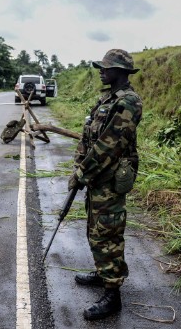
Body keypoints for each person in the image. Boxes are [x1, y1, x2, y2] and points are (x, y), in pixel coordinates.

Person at [68, 49, 143, 321]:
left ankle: (113, 295)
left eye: (106, 67)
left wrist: (82, 173)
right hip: (96, 177)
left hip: (110, 179)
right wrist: (78, 167)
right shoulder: (105, 100)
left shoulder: (129, 102)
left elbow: (108, 146)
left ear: (121, 71)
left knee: (107, 232)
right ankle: (103, 274)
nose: (101, 70)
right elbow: (86, 138)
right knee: (94, 228)